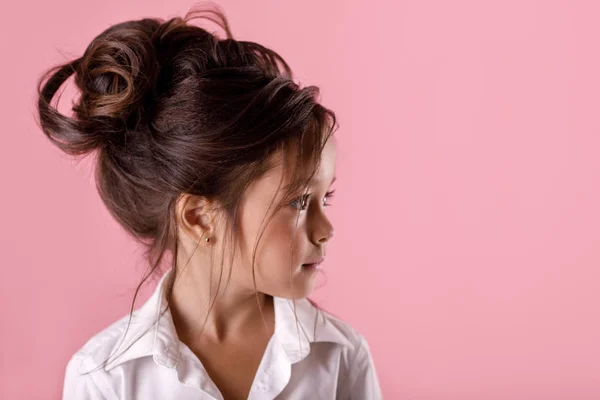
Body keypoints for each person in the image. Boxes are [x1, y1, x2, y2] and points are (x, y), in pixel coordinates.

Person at [36, 2, 382, 399]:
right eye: (299, 202)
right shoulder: (104, 378)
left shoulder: (341, 359)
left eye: (327, 197)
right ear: (200, 218)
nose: (326, 230)